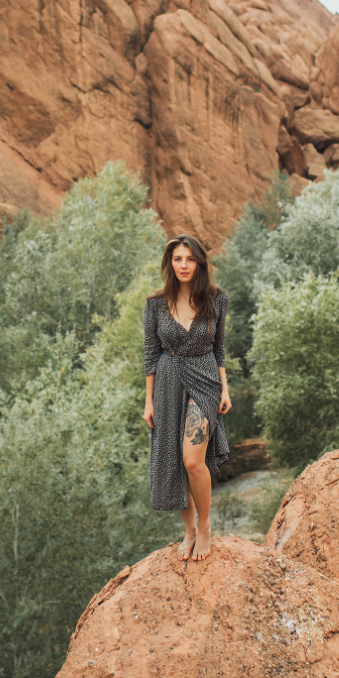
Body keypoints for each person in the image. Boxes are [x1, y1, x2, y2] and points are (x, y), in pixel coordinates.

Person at [142, 233, 232, 562]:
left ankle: (205, 525)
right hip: (167, 383)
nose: (184, 265)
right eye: (178, 259)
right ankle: (189, 530)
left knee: (193, 460)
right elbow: (151, 354)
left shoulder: (217, 300)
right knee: (174, 458)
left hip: (205, 380)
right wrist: (149, 401)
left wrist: (225, 388)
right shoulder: (155, 304)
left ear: (199, 263)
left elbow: (219, 348)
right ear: (170, 263)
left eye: (190, 259)